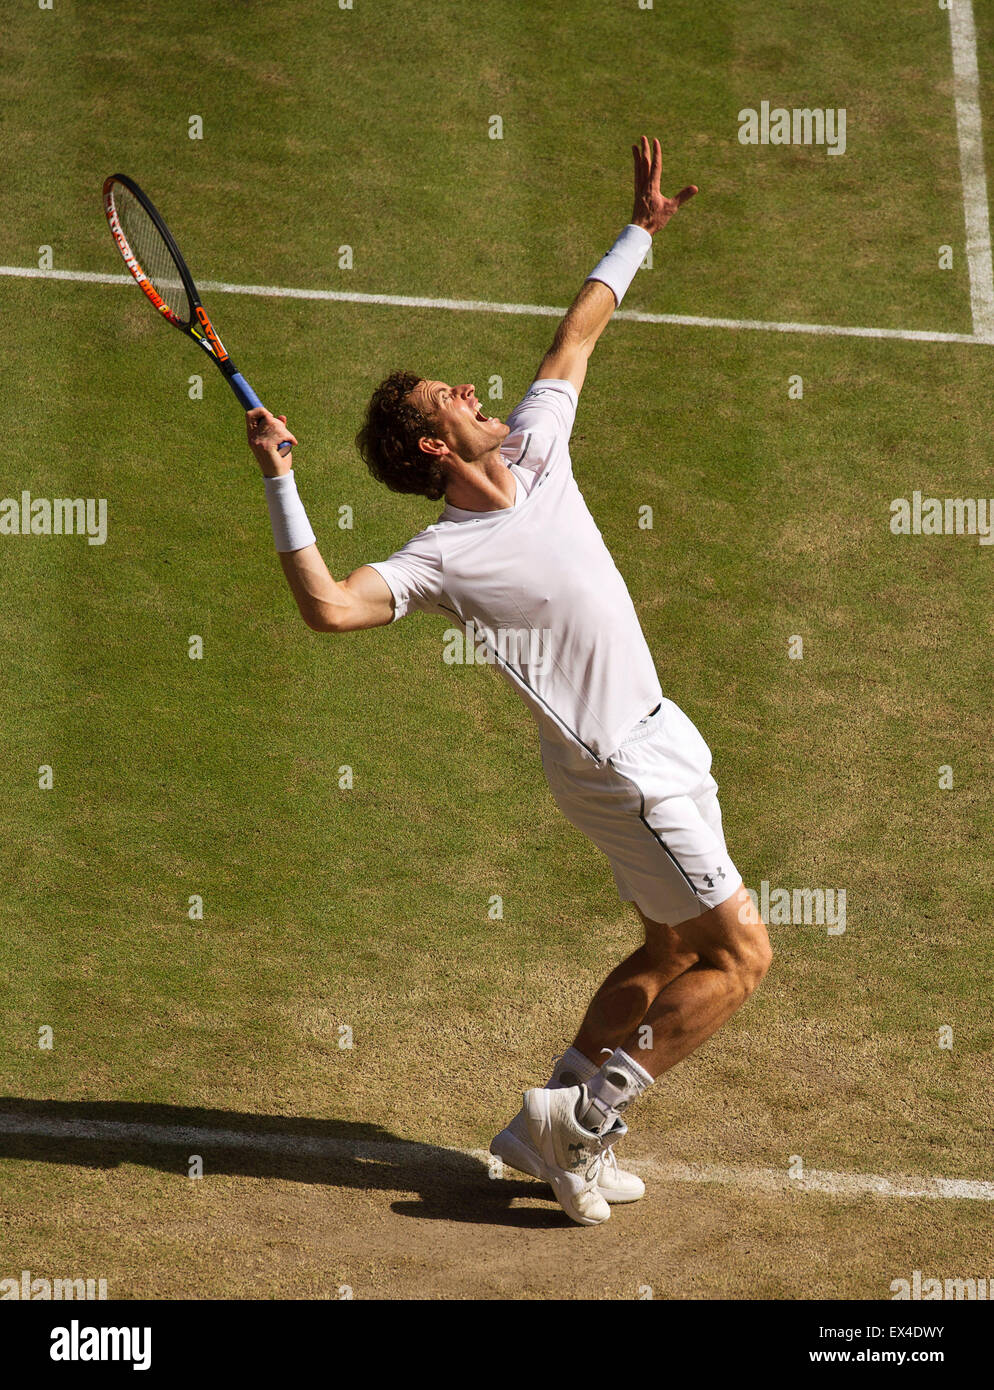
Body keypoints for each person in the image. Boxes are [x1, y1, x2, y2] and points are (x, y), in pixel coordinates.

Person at [246, 136, 772, 1226]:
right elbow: (329, 606)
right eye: (453, 396)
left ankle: (544, 1134)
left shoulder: (536, 445)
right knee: (741, 957)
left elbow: (576, 334)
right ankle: (579, 1121)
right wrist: (281, 483)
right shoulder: (439, 558)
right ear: (435, 447)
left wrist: (638, 227)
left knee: (666, 945)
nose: (478, 389)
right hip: (624, 765)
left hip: (644, 741)